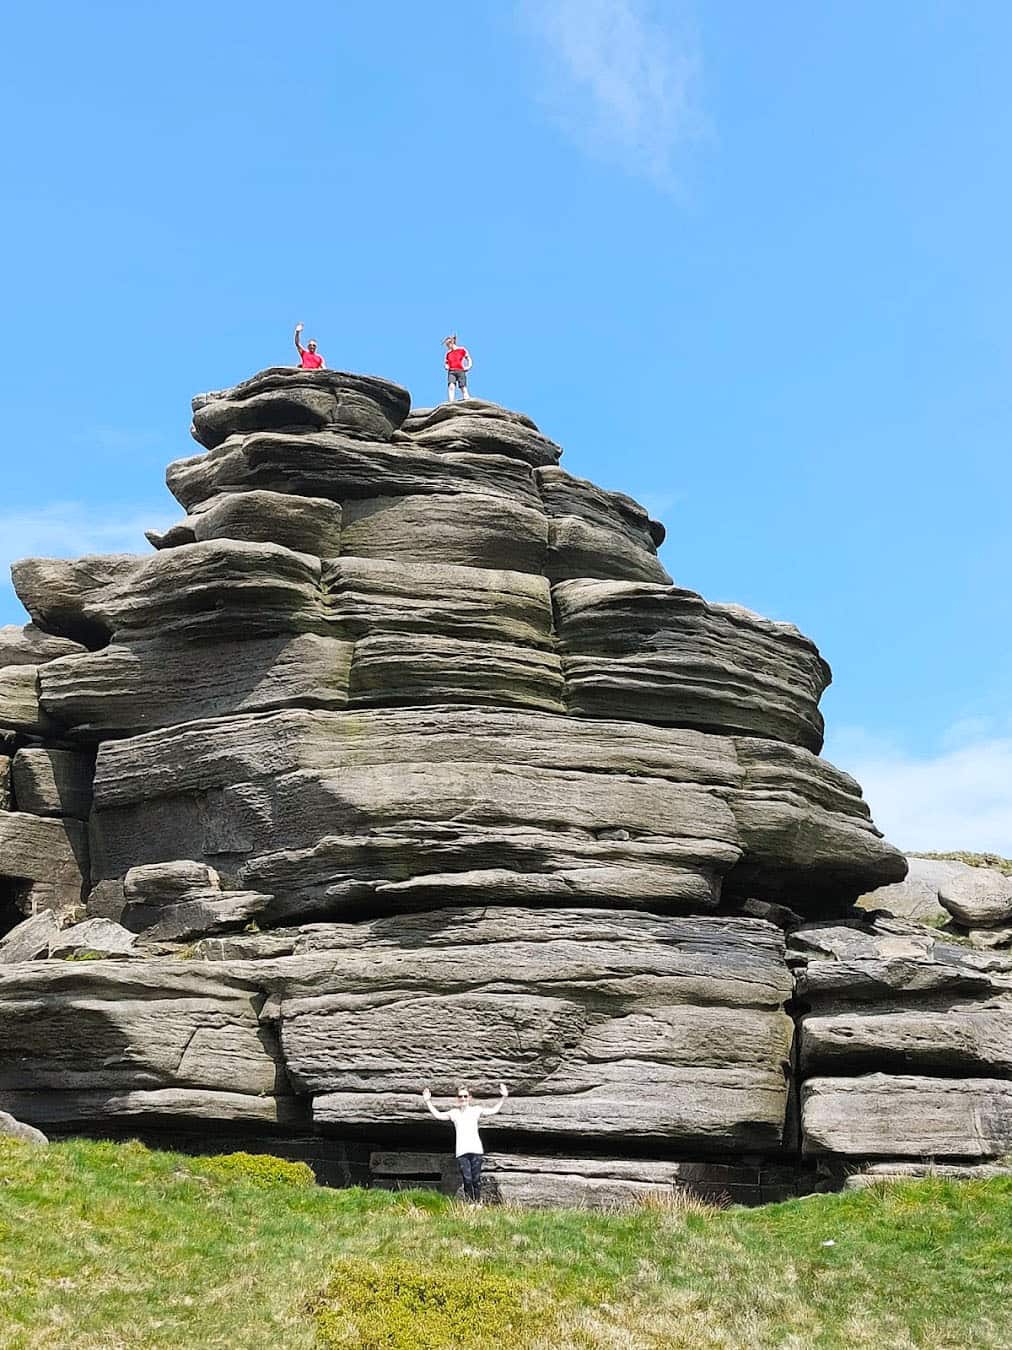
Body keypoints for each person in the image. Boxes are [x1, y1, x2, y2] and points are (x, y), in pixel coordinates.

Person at [421, 1082, 508, 1202]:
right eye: (460, 1096)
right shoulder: (454, 1113)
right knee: (467, 1179)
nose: (463, 1099)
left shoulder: (476, 1110)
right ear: (457, 1099)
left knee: (476, 1179)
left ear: (470, 1098)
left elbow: (493, 1110)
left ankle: (477, 1203)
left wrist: (504, 1097)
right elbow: (438, 1115)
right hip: (462, 1152)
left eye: (465, 1096)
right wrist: (428, 1101)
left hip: (476, 1150)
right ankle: (470, 1202)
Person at [443, 334, 472, 401]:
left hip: (460, 370)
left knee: (462, 386)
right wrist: (446, 366)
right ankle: (451, 401)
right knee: (451, 385)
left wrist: (468, 366)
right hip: (451, 371)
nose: (447, 346)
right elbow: (446, 362)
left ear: (452, 342)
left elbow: (468, 358)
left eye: (448, 344)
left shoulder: (462, 350)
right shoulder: (448, 353)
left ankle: (466, 398)